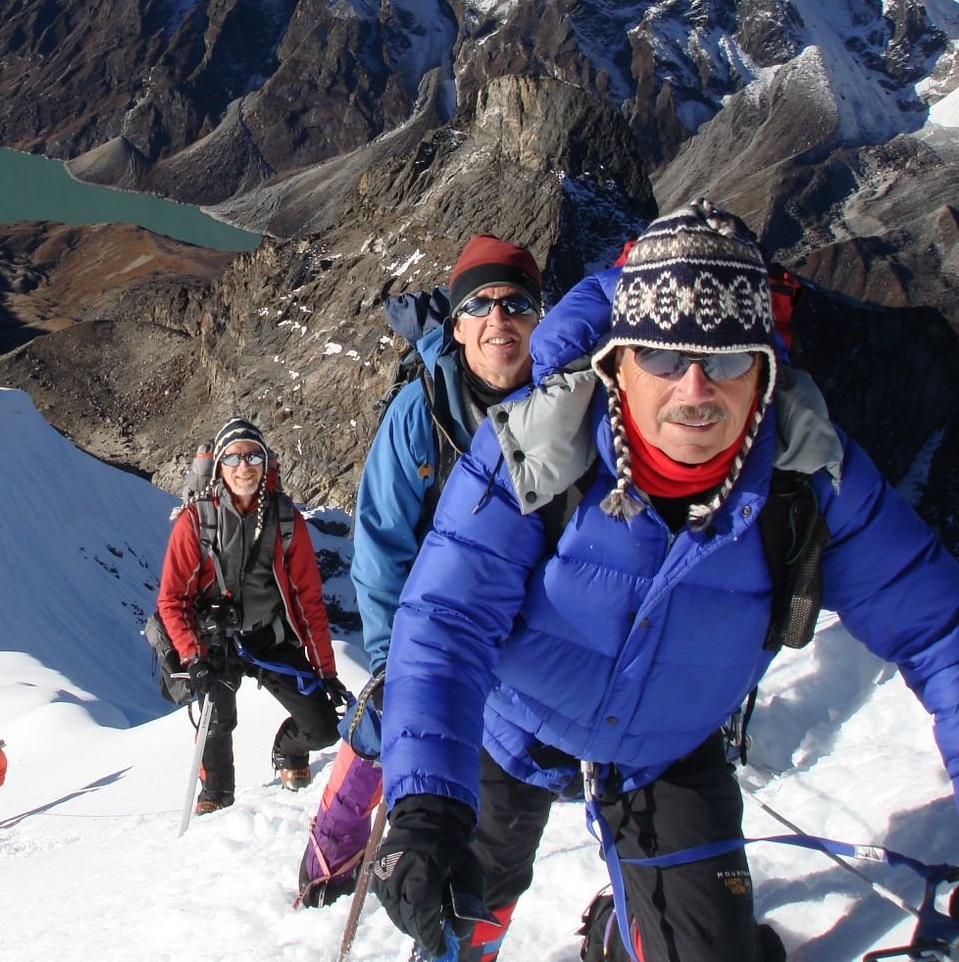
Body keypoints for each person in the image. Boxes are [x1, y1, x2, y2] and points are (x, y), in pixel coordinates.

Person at [373, 200, 959, 962]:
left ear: (764, 373)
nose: (694, 387)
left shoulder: (812, 478)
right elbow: (446, 620)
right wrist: (425, 805)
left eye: (724, 358)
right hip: (514, 722)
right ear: (616, 361)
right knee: (470, 898)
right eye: (661, 354)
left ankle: (621, 934)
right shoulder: (535, 451)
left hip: (668, 743)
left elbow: (940, 628)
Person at [297, 234, 544, 912]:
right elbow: (381, 544)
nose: (500, 319)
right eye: (481, 304)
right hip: (428, 621)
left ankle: (465, 923)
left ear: (539, 317)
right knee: (385, 729)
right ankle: (330, 855)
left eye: (517, 302)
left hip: (517, 632)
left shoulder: (563, 404)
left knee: (505, 791)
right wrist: (388, 661)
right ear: (459, 325)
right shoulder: (420, 414)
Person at [157, 416, 343, 814]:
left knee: (324, 728)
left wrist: (326, 672)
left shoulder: (286, 520)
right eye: (234, 457)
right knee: (216, 720)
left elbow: (308, 600)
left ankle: (290, 750)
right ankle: (216, 797)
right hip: (214, 642)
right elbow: (172, 599)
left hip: (268, 636)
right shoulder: (197, 522)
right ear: (220, 466)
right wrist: (193, 656)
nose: (245, 466)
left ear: (265, 462)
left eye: (253, 455)